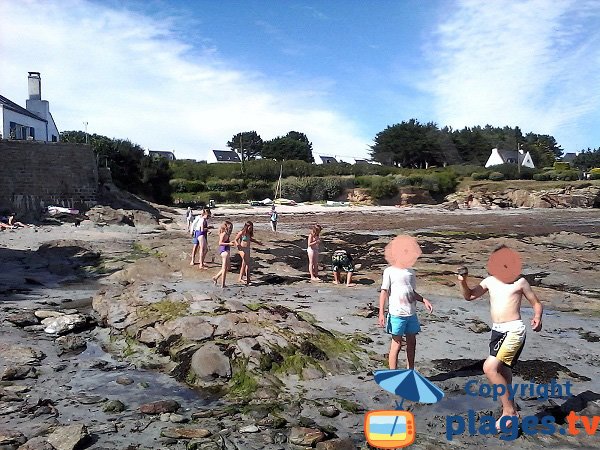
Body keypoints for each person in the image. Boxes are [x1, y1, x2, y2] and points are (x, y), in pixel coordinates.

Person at [457, 247, 543, 431]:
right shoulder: (490, 281)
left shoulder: (520, 283)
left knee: (489, 367)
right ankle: (511, 410)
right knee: (503, 371)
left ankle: (509, 411)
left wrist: (537, 316)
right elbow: (469, 295)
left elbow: (536, 303)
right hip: (497, 331)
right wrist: (463, 282)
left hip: (514, 330)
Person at [378, 264, 433, 370]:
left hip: (411, 313)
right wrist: (381, 313)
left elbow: (411, 292)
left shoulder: (411, 272)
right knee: (397, 344)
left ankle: (410, 370)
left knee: (412, 342)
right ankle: (393, 373)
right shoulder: (389, 271)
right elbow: (384, 291)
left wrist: (423, 300)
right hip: (396, 314)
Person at [234, 221, 263, 285]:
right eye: (249, 228)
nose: (250, 229)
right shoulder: (242, 232)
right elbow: (235, 240)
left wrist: (258, 242)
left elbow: (251, 239)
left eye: (251, 228)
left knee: (246, 264)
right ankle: (244, 279)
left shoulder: (249, 234)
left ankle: (244, 278)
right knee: (246, 264)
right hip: (242, 249)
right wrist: (238, 245)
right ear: (246, 227)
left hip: (247, 249)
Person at [212, 221, 235, 288]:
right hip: (224, 251)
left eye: (232, 228)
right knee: (224, 268)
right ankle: (223, 284)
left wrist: (230, 242)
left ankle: (216, 277)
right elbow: (220, 243)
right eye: (230, 228)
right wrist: (229, 244)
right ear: (226, 227)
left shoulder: (226, 234)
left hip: (226, 250)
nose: (231, 229)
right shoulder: (224, 234)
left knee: (226, 268)